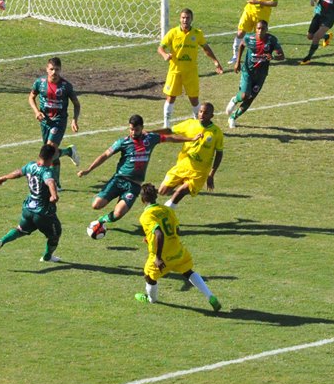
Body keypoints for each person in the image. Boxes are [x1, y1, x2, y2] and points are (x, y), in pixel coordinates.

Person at [77, 114, 198, 231]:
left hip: (134, 186)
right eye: (131, 129)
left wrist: (191, 139)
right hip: (119, 180)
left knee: (118, 214)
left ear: (142, 128)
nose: (133, 132)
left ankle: (101, 220)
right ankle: (101, 195)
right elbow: (105, 155)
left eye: (136, 129)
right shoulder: (123, 142)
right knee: (96, 205)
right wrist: (89, 169)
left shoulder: (150, 139)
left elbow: (170, 138)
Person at [134, 183, 222, 311]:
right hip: (178, 250)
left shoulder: (146, 216)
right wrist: (151, 239)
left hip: (162, 255)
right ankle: (210, 296)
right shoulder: (167, 210)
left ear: (142, 199)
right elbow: (177, 229)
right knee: (188, 272)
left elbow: (159, 233)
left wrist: (158, 257)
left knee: (149, 276)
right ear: (156, 196)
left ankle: (151, 299)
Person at [0, 144, 62, 263]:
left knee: (20, 230)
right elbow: (50, 181)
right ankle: (47, 257)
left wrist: (5, 177)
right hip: (43, 213)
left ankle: (2, 241)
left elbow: (18, 172)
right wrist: (54, 195)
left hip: (28, 209)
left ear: (39, 155)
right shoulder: (47, 171)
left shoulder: (30, 165)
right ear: (52, 158)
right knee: (55, 234)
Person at [158, 8, 224, 128]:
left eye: (187, 18)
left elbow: (206, 48)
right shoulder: (173, 33)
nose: (185, 20)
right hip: (175, 71)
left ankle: (198, 124)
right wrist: (165, 55)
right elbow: (160, 47)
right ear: (180, 19)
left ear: (191, 19)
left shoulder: (197, 34)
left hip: (191, 72)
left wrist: (216, 61)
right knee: (171, 97)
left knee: (194, 99)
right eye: (183, 17)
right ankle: (166, 125)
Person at [156, 102, 224, 208]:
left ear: (211, 116)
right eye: (200, 111)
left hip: (199, 172)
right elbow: (170, 130)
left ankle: (167, 210)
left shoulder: (216, 132)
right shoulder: (190, 124)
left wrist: (211, 174)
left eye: (205, 113)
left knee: (180, 192)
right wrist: (150, 132)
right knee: (162, 191)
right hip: (183, 166)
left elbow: (219, 154)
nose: (202, 114)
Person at [28, 57, 81, 186]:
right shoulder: (40, 83)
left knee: (49, 150)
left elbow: (76, 104)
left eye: (57, 69)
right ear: (47, 69)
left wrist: (74, 120)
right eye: (51, 69)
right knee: (52, 152)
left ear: (60, 70)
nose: (54, 72)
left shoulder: (66, 86)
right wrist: (37, 112)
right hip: (45, 121)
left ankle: (48, 180)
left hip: (59, 121)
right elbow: (31, 97)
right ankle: (58, 180)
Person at [226, 20, 285, 129]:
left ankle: (233, 118)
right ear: (255, 29)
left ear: (267, 29)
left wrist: (273, 57)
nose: (260, 31)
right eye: (258, 28)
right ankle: (235, 99)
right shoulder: (249, 38)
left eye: (263, 28)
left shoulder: (271, 40)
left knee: (250, 98)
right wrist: (238, 62)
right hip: (248, 71)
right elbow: (242, 45)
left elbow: (282, 56)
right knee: (244, 95)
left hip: (261, 74)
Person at [228, 0, 278, 65]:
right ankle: (235, 56)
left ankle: (259, 57)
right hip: (249, 11)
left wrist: (258, 2)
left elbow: (274, 3)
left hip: (261, 16)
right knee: (240, 32)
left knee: (258, 37)